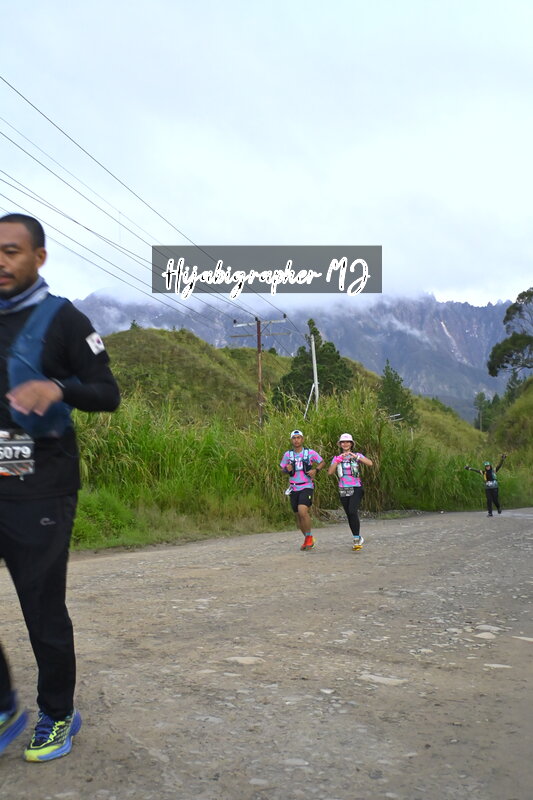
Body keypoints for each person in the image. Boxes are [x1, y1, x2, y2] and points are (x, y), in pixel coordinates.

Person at [0, 214, 120, 762]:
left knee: (41, 607)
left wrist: (57, 388)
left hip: (41, 482)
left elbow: (107, 392)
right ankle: (5, 706)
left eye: (12, 251)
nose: (1, 262)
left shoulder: (65, 319)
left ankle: (57, 712)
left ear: (38, 257)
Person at [280, 429, 324, 550]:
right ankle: (308, 538)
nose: (296, 440)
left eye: (298, 437)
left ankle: (308, 538)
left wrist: (316, 470)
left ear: (302, 439)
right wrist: (286, 469)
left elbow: (322, 462)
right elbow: (282, 469)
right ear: (291, 440)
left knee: (302, 511)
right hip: (294, 487)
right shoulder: (288, 455)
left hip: (306, 486)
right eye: (294, 438)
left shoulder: (310, 453)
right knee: (298, 516)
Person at [328, 433, 373, 550]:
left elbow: (370, 463)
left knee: (353, 511)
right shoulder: (337, 458)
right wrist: (337, 460)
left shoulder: (357, 455)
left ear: (351, 444)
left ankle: (356, 539)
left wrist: (356, 457)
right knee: (349, 513)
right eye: (343, 442)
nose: (345, 444)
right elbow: (330, 472)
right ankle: (357, 536)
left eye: (347, 442)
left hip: (356, 487)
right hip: (343, 488)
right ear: (340, 444)